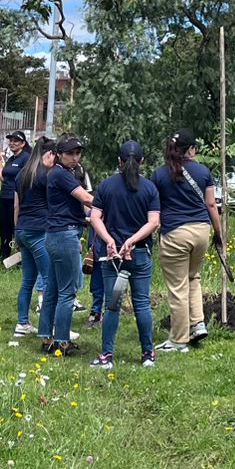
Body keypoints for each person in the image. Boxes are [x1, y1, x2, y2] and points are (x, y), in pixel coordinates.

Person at [89, 140, 162, 369]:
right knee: (141, 303)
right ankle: (148, 354)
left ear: (119, 161)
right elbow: (154, 222)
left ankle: (107, 356)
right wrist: (132, 241)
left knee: (113, 304)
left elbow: (94, 218)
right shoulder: (149, 188)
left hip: (113, 258)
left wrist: (110, 240)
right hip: (138, 255)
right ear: (142, 162)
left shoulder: (106, 186)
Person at [151, 129, 226, 352]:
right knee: (193, 277)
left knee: (177, 287)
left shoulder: (160, 174)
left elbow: (155, 207)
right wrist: (219, 234)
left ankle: (178, 339)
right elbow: (211, 205)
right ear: (191, 149)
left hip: (175, 233)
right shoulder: (203, 171)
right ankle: (198, 323)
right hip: (201, 231)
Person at [40, 134, 95, 356]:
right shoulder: (62, 174)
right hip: (65, 235)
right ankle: (63, 341)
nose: (75, 157)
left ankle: (46, 337)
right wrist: (112, 202)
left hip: (54, 234)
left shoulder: (60, 173)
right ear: (59, 155)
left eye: (77, 153)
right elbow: (87, 198)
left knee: (52, 289)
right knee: (67, 292)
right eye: (70, 153)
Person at [11, 138, 56, 339]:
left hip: (22, 229)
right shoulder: (45, 175)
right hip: (39, 230)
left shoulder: (22, 173)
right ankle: (51, 327)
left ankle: (23, 323)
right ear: (49, 154)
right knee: (49, 279)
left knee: (27, 280)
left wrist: (16, 229)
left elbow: (16, 206)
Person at [0, 131, 30, 261]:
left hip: (16, 199)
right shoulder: (11, 159)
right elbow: (4, 178)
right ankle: (4, 256)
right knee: (4, 228)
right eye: (10, 141)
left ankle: (19, 259)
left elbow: (26, 180)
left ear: (23, 144)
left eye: (16, 141)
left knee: (15, 228)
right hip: (4, 197)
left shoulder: (26, 158)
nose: (12, 143)